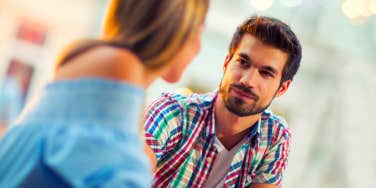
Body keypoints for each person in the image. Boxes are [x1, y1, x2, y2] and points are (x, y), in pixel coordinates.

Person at [0, 0, 209, 187]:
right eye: (199, 30)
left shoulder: (87, 69)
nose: (199, 47)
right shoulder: (119, 69)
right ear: (176, 29)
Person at [144, 15, 302, 188]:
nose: (247, 80)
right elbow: (127, 172)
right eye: (243, 62)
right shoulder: (174, 111)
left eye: (266, 73)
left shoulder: (274, 136)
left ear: (282, 88)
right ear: (226, 63)